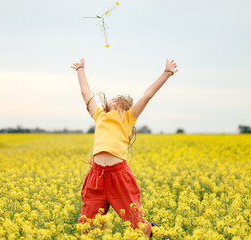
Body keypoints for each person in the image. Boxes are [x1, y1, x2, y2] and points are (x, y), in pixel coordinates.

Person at [71, 57, 178, 238]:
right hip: (96, 176)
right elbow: (85, 93)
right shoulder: (99, 115)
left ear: (125, 107)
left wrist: (166, 73)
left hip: (119, 176)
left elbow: (147, 95)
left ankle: (152, 229)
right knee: (86, 227)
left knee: (136, 225)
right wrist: (80, 69)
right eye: (114, 99)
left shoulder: (128, 117)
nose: (115, 100)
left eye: (119, 100)